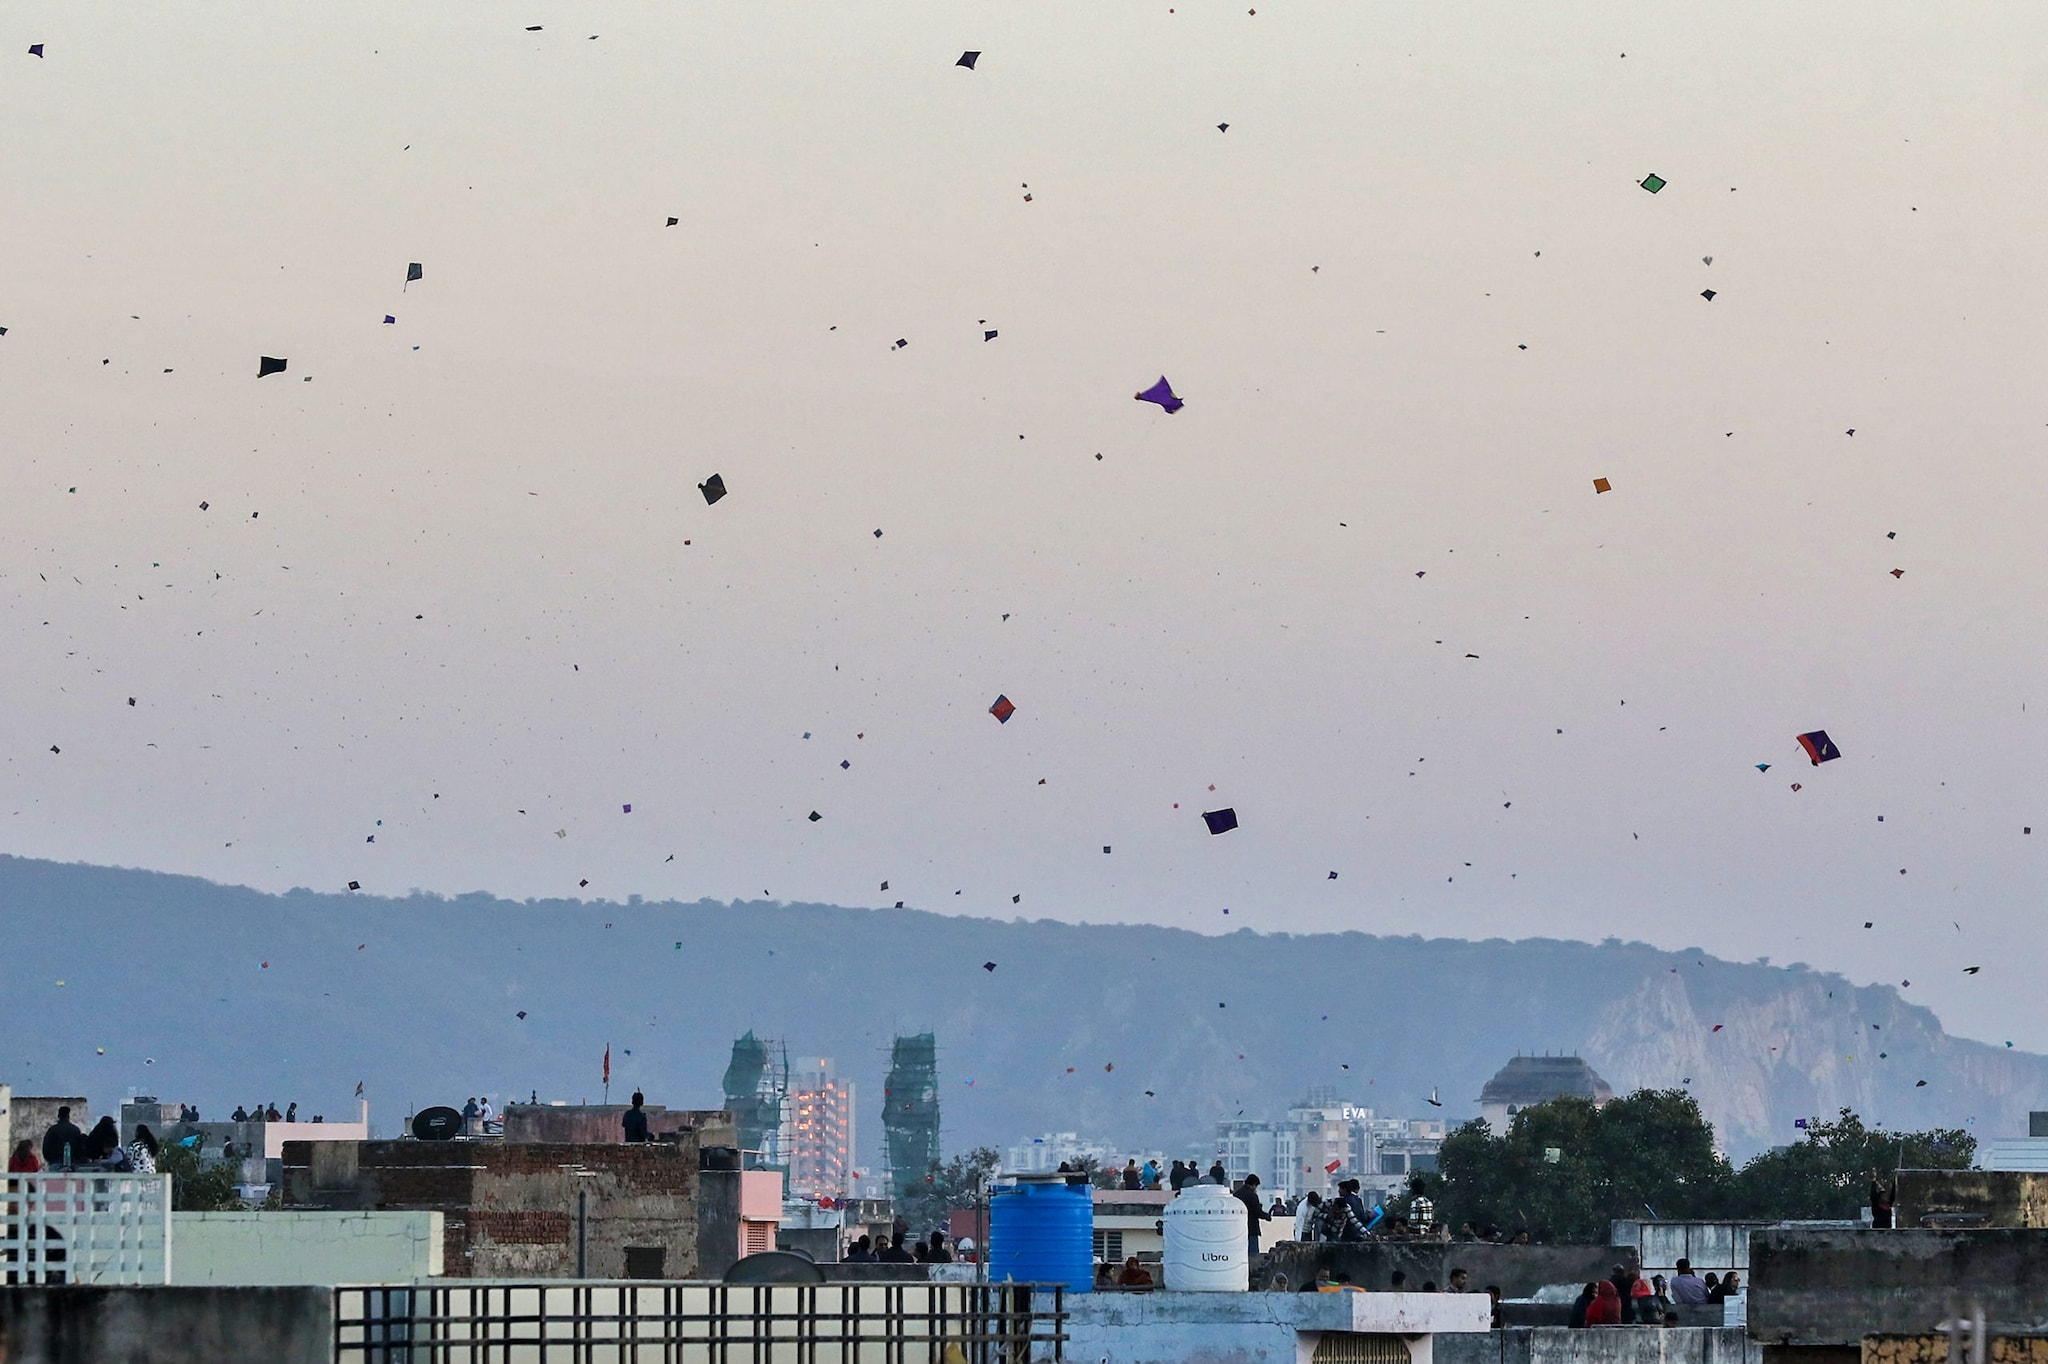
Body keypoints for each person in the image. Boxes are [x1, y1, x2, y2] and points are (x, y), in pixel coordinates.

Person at [1235, 1173, 1272, 1255]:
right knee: (1253, 1255)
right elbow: (1257, 1212)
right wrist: (1267, 1216)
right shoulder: (1252, 1195)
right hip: (1251, 1228)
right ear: (1254, 1185)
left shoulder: (1236, 1194)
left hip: (1238, 1229)